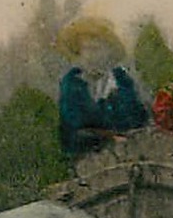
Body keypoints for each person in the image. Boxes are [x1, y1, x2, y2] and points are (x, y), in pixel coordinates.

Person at [57, 17, 149, 157]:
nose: (90, 56)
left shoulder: (121, 81)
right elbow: (71, 129)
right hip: (85, 158)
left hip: (126, 155)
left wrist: (116, 100)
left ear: (109, 52)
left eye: (96, 49)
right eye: (85, 49)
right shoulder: (72, 84)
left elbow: (137, 119)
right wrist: (106, 138)